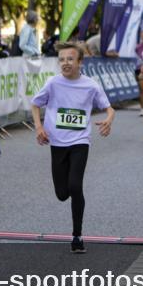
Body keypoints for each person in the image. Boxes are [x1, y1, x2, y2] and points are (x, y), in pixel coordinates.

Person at [31, 41, 114, 254]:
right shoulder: (52, 83)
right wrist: (39, 127)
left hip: (80, 141)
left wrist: (108, 120)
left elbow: (109, 108)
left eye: (70, 59)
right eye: (61, 60)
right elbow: (35, 104)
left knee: (76, 186)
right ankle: (67, 192)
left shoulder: (91, 85)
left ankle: (77, 236)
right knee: (62, 193)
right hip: (57, 143)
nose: (65, 63)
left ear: (80, 62)